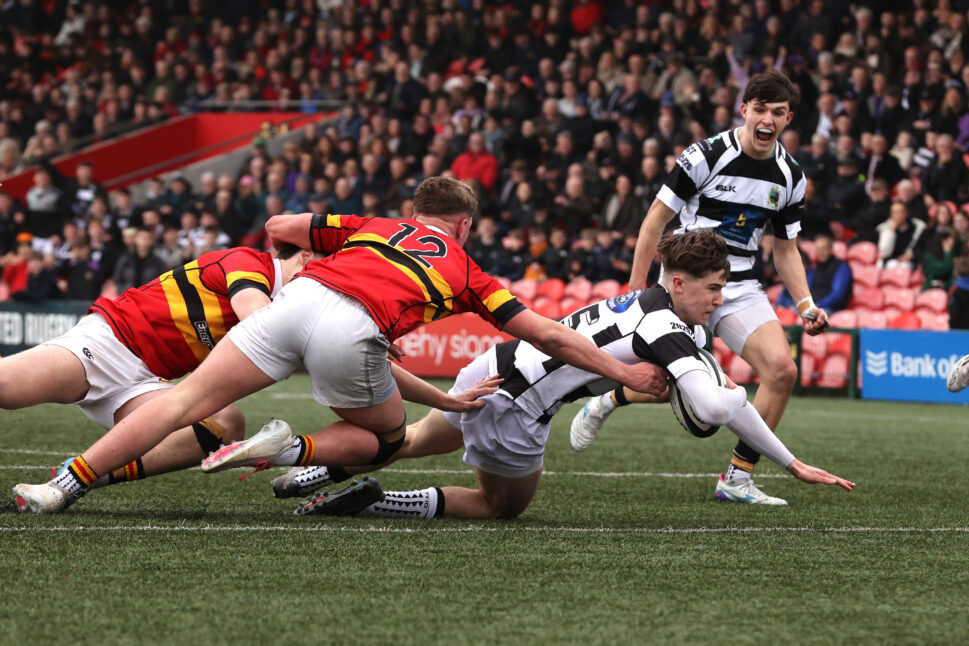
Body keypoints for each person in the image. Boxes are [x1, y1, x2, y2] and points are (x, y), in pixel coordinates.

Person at [14, 177, 667, 513]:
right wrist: (624, 374)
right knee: (385, 440)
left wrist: (293, 254)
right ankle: (291, 449)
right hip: (353, 330)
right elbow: (549, 333)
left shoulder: (372, 226)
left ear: (413, 213)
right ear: (463, 225)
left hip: (294, 303)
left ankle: (63, 485)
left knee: (186, 402)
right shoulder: (467, 270)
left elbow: (278, 225)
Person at [275, 231, 854, 519]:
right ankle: (378, 502)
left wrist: (786, 457)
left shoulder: (643, 300)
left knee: (418, 439)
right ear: (678, 283)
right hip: (520, 408)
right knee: (501, 507)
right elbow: (715, 407)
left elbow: (707, 384)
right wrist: (786, 456)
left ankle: (317, 471)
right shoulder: (668, 329)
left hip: (495, 367)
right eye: (713, 288)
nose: (720, 299)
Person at [570, 70, 829, 506]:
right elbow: (656, 218)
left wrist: (805, 303)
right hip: (685, 281)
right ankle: (608, 398)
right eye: (760, 110)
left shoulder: (790, 175)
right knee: (672, 381)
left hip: (741, 282)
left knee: (782, 371)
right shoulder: (705, 155)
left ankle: (737, 478)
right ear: (744, 110)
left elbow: (785, 250)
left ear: (788, 119)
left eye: (778, 113)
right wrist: (636, 290)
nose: (767, 120)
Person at [7, 244, 313, 511]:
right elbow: (258, 319)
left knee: (226, 424)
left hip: (146, 381)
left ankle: (79, 476)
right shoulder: (250, 263)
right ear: (306, 256)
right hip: (109, 344)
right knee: (7, 390)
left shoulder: (285, 299)